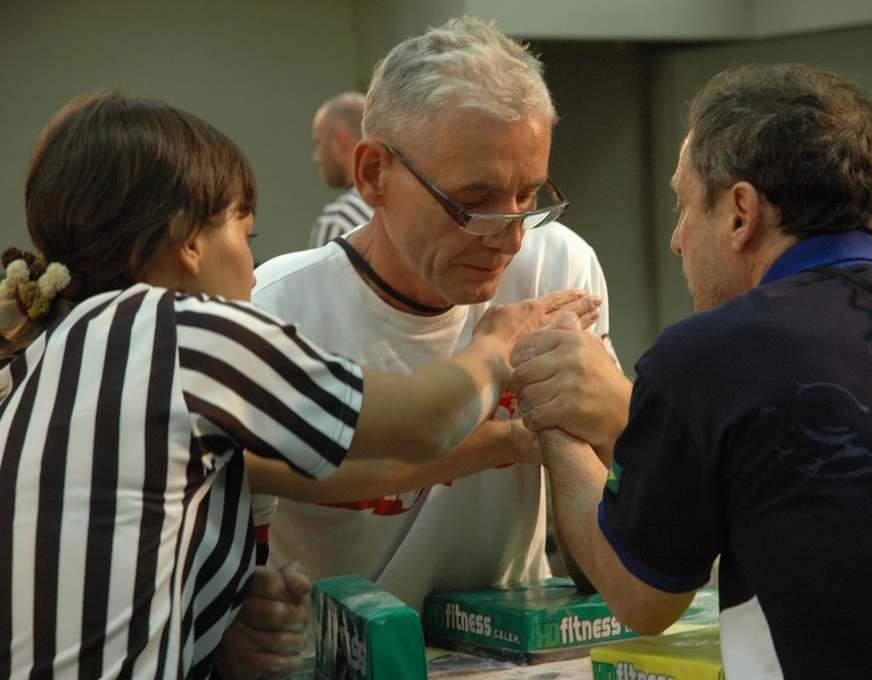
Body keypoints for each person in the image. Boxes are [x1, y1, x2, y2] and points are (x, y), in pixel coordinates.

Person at [0, 91, 599, 680]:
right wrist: (495, 344)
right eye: (245, 235)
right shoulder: (186, 334)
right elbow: (425, 424)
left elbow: (336, 473)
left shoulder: (35, 358)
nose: (250, 269)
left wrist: (223, 606)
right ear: (187, 243)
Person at [512, 63, 872, 679]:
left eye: (682, 205)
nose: (677, 239)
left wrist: (552, 409)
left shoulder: (704, 357)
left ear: (739, 214)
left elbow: (641, 596)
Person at [247, 15, 615, 616]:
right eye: (472, 202)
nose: (512, 237)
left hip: (511, 646)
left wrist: (608, 416)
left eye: (529, 195)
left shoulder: (559, 267)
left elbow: (606, 555)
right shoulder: (275, 309)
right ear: (373, 175)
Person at [309, 92, 373, 248]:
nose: (316, 158)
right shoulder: (401, 209)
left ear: (339, 142)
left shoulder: (338, 221)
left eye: (318, 144)